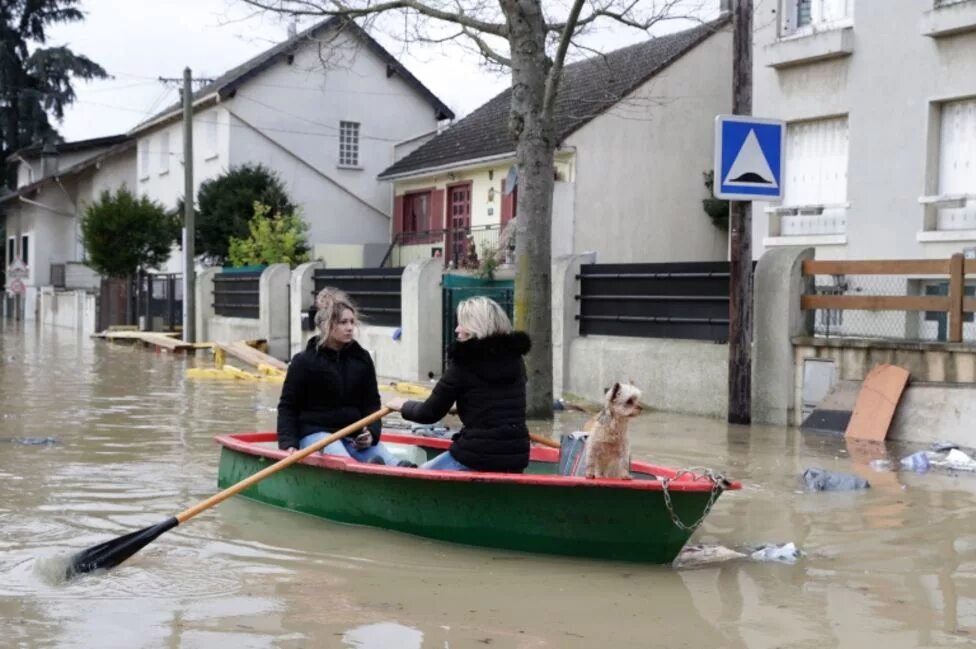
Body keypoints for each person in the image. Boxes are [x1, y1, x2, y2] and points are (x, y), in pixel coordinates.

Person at [385, 296, 531, 472]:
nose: (456, 329)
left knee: (418, 476)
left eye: (461, 323)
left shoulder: (464, 362)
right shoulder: (516, 360)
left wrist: (402, 405)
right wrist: (461, 406)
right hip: (516, 455)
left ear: (474, 327)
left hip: (476, 454)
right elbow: (495, 402)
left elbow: (428, 413)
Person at [277, 287, 402, 465]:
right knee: (343, 461)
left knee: (391, 462)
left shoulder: (362, 359)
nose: (350, 328)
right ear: (327, 325)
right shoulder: (303, 362)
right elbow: (288, 407)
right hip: (315, 434)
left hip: (353, 434)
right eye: (343, 322)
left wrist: (372, 433)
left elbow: (372, 403)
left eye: (352, 322)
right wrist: (288, 444)